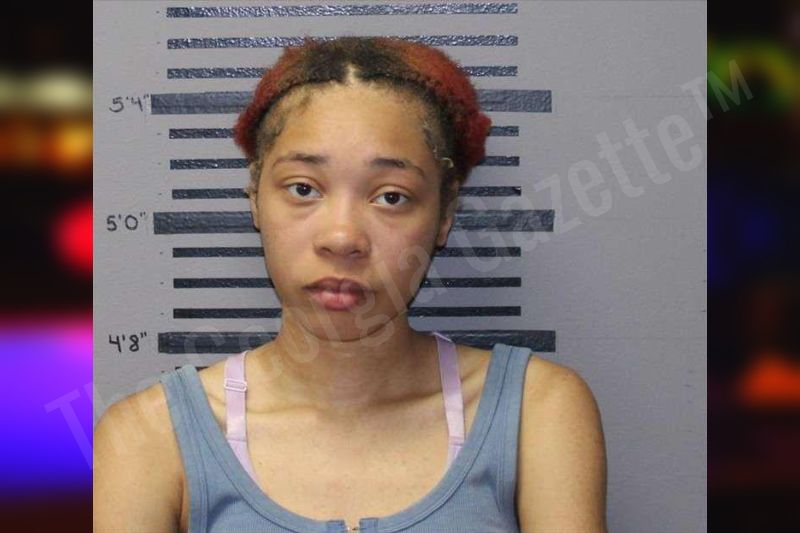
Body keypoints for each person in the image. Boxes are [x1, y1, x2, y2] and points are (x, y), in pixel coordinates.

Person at [94, 36, 607, 532]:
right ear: (255, 199)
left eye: (391, 197)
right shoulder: (148, 437)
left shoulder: (537, 409)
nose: (342, 238)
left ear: (445, 213)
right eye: (303, 188)